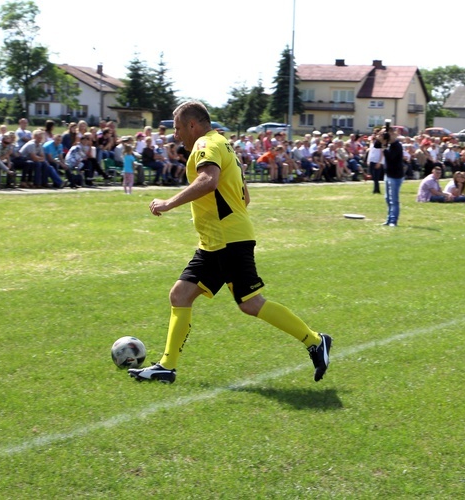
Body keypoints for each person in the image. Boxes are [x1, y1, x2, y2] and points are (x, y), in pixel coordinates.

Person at [127, 100, 332, 384]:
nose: (175, 136)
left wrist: (167, 204)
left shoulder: (204, 146)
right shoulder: (225, 145)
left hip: (226, 241)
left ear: (192, 125)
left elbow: (208, 180)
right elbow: (245, 197)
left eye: (177, 129)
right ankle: (166, 367)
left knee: (251, 302)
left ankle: (315, 340)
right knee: (180, 295)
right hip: (217, 241)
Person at [382, 126, 404, 226]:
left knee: (393, 200)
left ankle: (393, 221)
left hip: (395, 176)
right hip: (388, 174)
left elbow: (390, 157)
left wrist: (384, 148)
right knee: (387, 198)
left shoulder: (397, 145)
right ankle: (388, 219)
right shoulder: (389, 144)